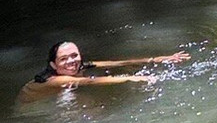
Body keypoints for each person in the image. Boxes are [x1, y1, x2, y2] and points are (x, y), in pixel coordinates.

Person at [18, 41, 190, 102]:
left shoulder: (81, 66)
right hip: (32, 106)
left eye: (74, 55)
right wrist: (133, 79)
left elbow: (118, 63)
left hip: (53, 96)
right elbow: (91, 81)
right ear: (53, 65)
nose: (71, 61)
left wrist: (156, 59)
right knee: (87, 104)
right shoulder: (54, 80)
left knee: (76, 97)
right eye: (64, 59)